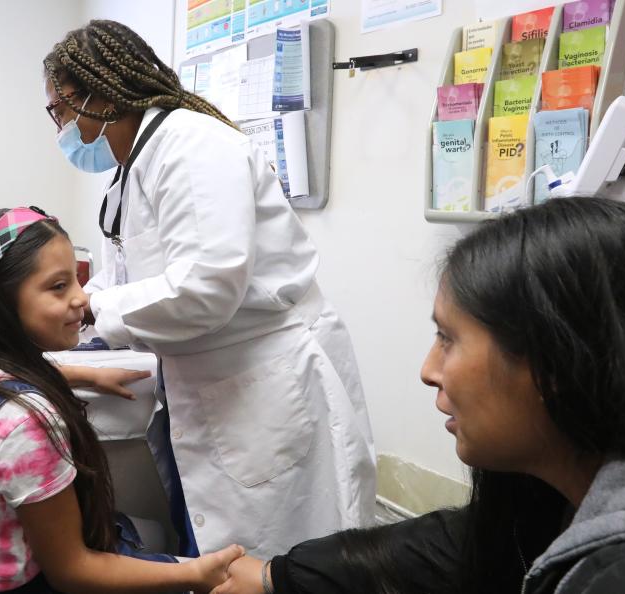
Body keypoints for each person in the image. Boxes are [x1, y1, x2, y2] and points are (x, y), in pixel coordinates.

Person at [211, 197, 625, 594]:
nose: (429, 371)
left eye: (448, 338)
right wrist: (282, 576)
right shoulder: (606, 482)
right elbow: (472, 542)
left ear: (559, 360)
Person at [42, 19, 376, 559]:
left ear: (97, 97)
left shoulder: (191, 144)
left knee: (286, 556)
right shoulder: (134, 166)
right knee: (217, 554)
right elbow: (128, 275)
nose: (58, 128)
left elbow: (205, 286)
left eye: (58, 111)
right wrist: (67, 305)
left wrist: (86, 310)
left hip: (263, 380)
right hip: (208, 377)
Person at [0, 207, 244, 593]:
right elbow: (73, 572)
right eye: (58, 287)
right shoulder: (25, 424)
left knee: (149, 533)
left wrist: (85, 374)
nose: (83, 299)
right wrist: (197, 573)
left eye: (76, 281)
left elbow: (18, 380)